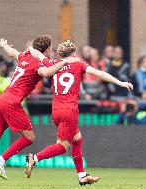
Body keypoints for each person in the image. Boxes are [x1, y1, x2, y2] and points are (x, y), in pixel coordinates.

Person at [0, 35, 77, 186]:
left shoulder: (26, 56)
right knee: (29, 138)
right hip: (11, 102)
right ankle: (0, 160)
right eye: (50, 48)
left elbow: (13, 53)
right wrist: (65, 62)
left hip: (0, 99)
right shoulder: (37, 64)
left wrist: (4, 46)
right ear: (46, 49)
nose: (51, 52)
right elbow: (46, 73)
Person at [26, 40, 133, 186]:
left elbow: (37, 54)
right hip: (69, 111)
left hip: (56, 110)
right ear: (73, 53)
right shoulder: (78, 63)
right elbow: (100, 73)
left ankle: (82, 176)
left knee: (77, 139)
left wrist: (30, 48)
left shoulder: (53, 63)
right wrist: (121, 83)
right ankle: (35, 158)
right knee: (62, 146)